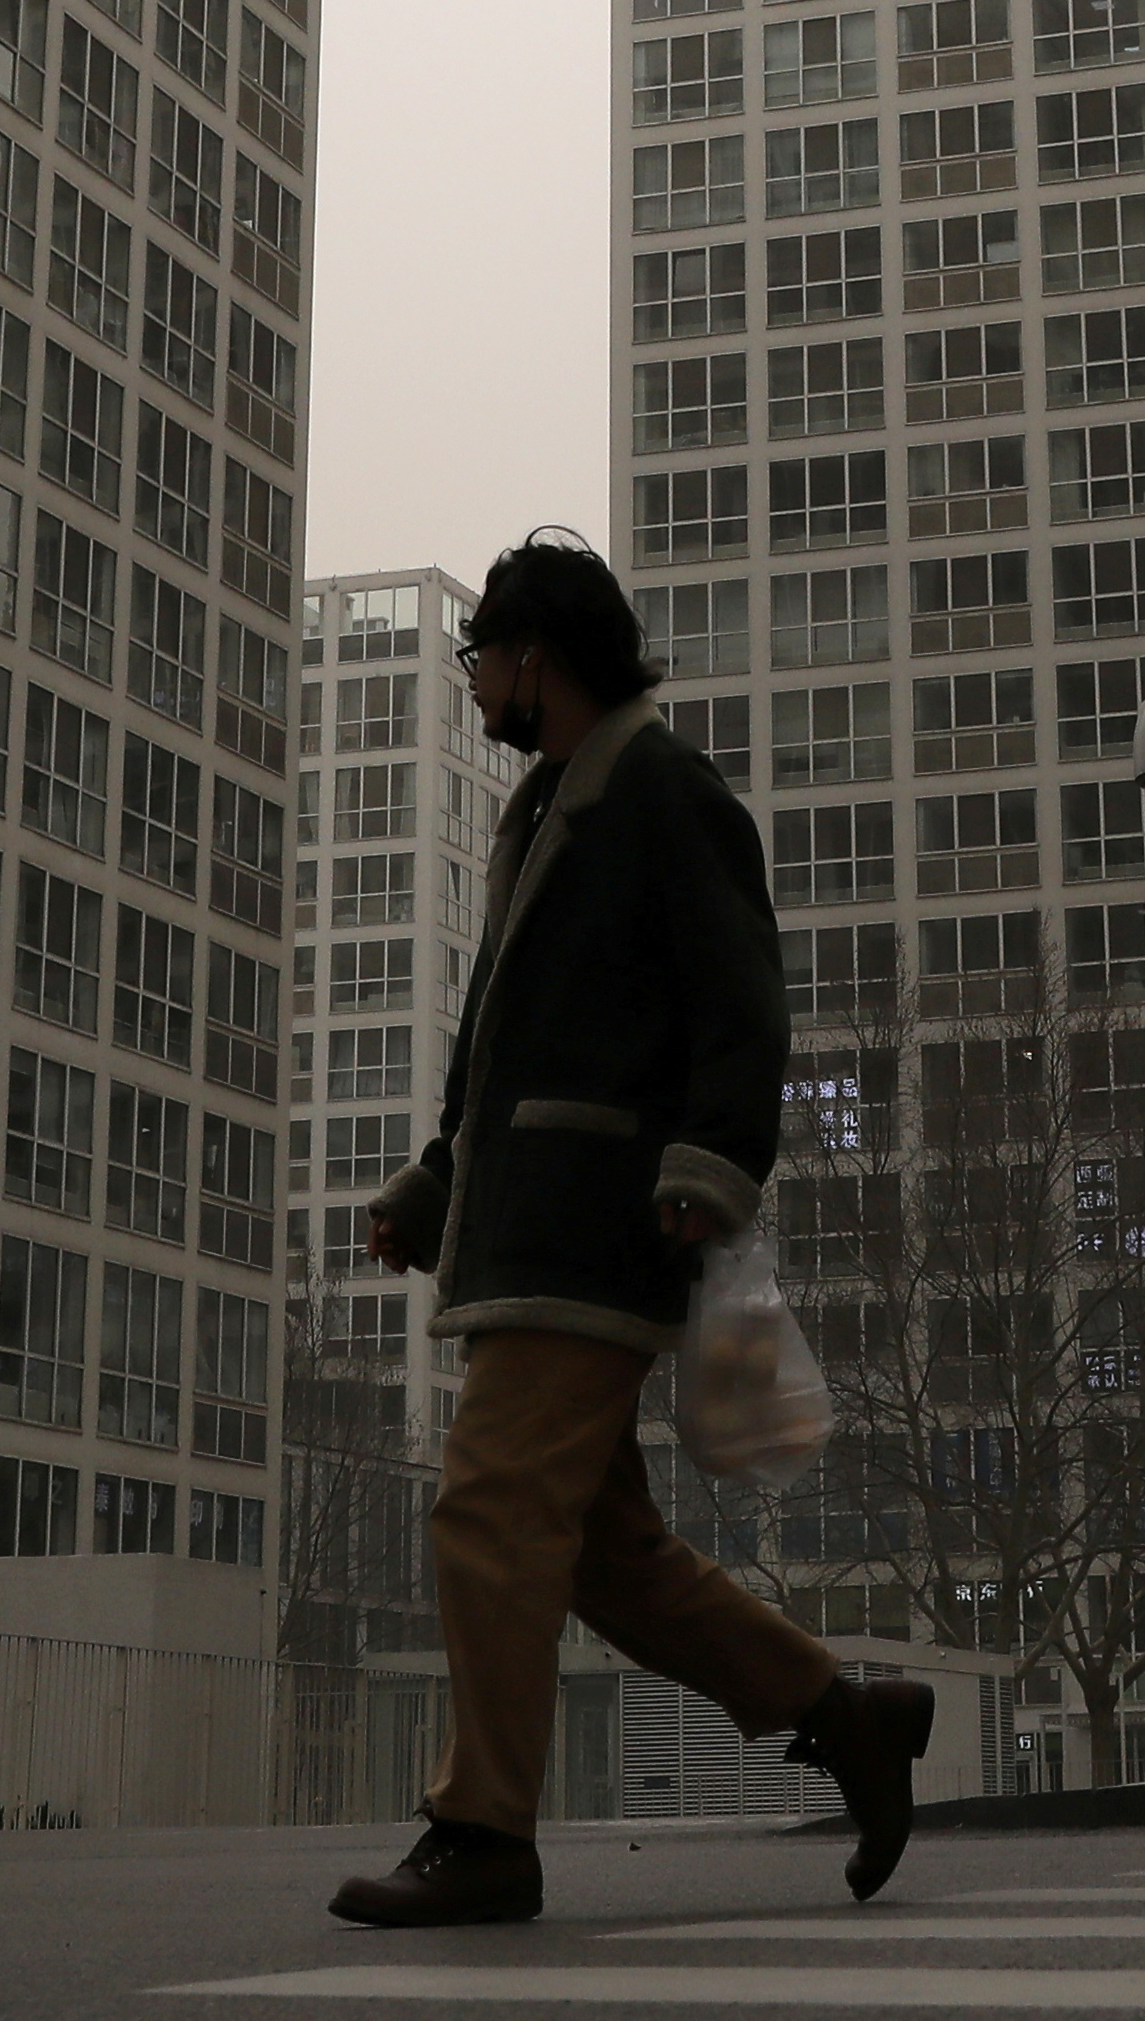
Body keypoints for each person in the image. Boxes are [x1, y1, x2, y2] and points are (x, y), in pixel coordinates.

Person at [328, 535, 931, 1931]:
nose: (475, 677)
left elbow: (740, 999)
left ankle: (482, 1829)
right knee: (603, 1556)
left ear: (534, 658)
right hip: (531, 1219)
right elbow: (507, 1043)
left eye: (482, 653)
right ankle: (843, 1713)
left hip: (591, 1236)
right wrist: (434, 1184)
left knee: (485, 1506)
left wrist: (711, 1165)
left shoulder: (661, 790)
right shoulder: (547, 807)